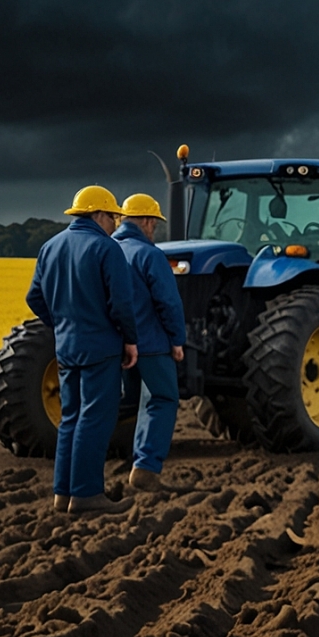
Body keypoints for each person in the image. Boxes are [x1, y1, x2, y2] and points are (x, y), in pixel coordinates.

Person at [26, 185, 139, 516]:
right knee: (96, 419)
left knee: (70, 418)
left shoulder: (50, 247)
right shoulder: (106, 248)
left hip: (67, 348)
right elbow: (121, 303)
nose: (115, 225)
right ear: (100, 214)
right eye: (113, 218)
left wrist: (61, 322)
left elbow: (34, 298)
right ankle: (88, 495)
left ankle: (63, 494)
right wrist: (129, 340)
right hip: (101, 348)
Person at [113, 193, 187, 492]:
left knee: (121, 403)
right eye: (154, 224)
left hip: (115, 345)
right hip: (152, 343)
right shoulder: (149, 255)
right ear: (146, 221)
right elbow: (168, 302)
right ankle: (145, 467)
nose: (154, 229)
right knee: (162, 398)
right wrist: (177, 339)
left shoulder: (108, 250)